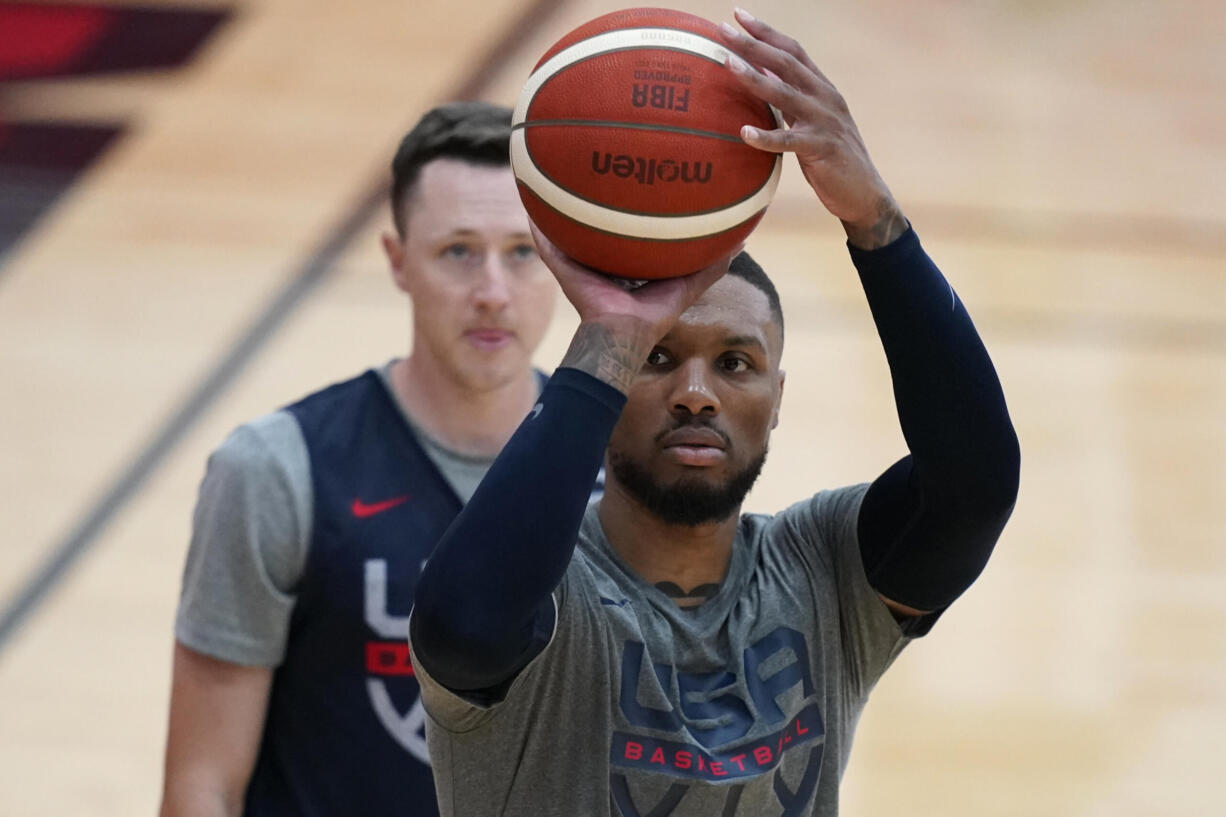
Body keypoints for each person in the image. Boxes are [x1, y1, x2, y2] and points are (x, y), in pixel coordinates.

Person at [408, 11, 1021, 817]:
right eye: (659, 357)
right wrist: (612, 334)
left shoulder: (823, 572)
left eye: (735, 363)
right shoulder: (545, 591)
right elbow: (460, 623)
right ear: (609, 381)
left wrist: (874, 221)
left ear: (777, 400)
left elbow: (974, 484)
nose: (695, 391)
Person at [159, 101, 570, 817]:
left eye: (524, 252)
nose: (492, 293)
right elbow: (204, 784)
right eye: (458, 251)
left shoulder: (624, 466)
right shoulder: (276, 470)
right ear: (397, 261)